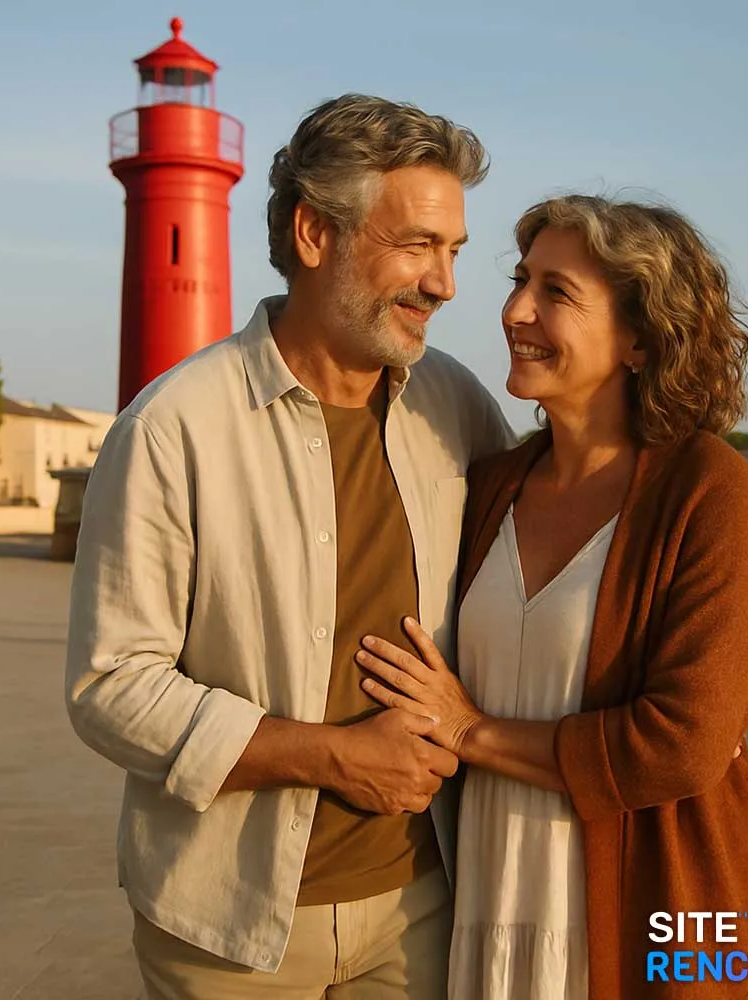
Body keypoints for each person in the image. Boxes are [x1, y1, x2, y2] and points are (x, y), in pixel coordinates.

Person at [64, 94, 513, 999]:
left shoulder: (458, 408)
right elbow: (110, 687)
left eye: (455, 251)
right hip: (225, 924)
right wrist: (337, 755)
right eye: (417, 245)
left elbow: (529, 586)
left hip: (425, 903)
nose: (445, 284)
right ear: (315, 233)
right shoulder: (170, 428)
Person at [356, 195, 748, 1000]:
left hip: (646, 919)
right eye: (521, 281)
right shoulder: (492, 484)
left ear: (639, 337)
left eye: (556, 292)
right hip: (492, 905)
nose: (515, 310)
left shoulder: (706, 487)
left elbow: (683, 745)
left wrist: (470, 731)